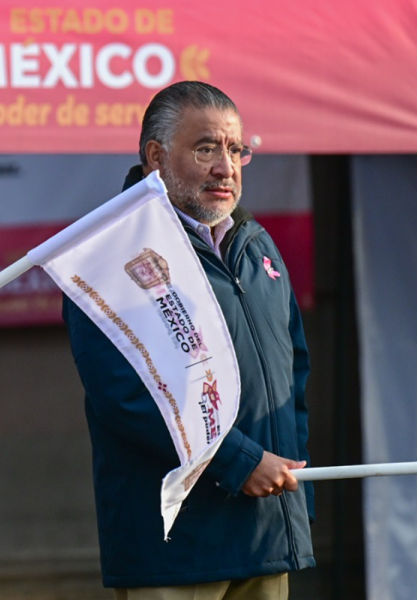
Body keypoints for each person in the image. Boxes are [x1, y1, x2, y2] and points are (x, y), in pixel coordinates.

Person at [63, 81, 314, 599]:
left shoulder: (256, 244)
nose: (226, 166)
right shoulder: (110, 254)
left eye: (236, 149)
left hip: (265, 530)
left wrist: (290, 490)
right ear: (156, 157)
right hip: (176, 550)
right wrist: (240, 463)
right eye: (206, 148)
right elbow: (127, 398)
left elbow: (294, 377)